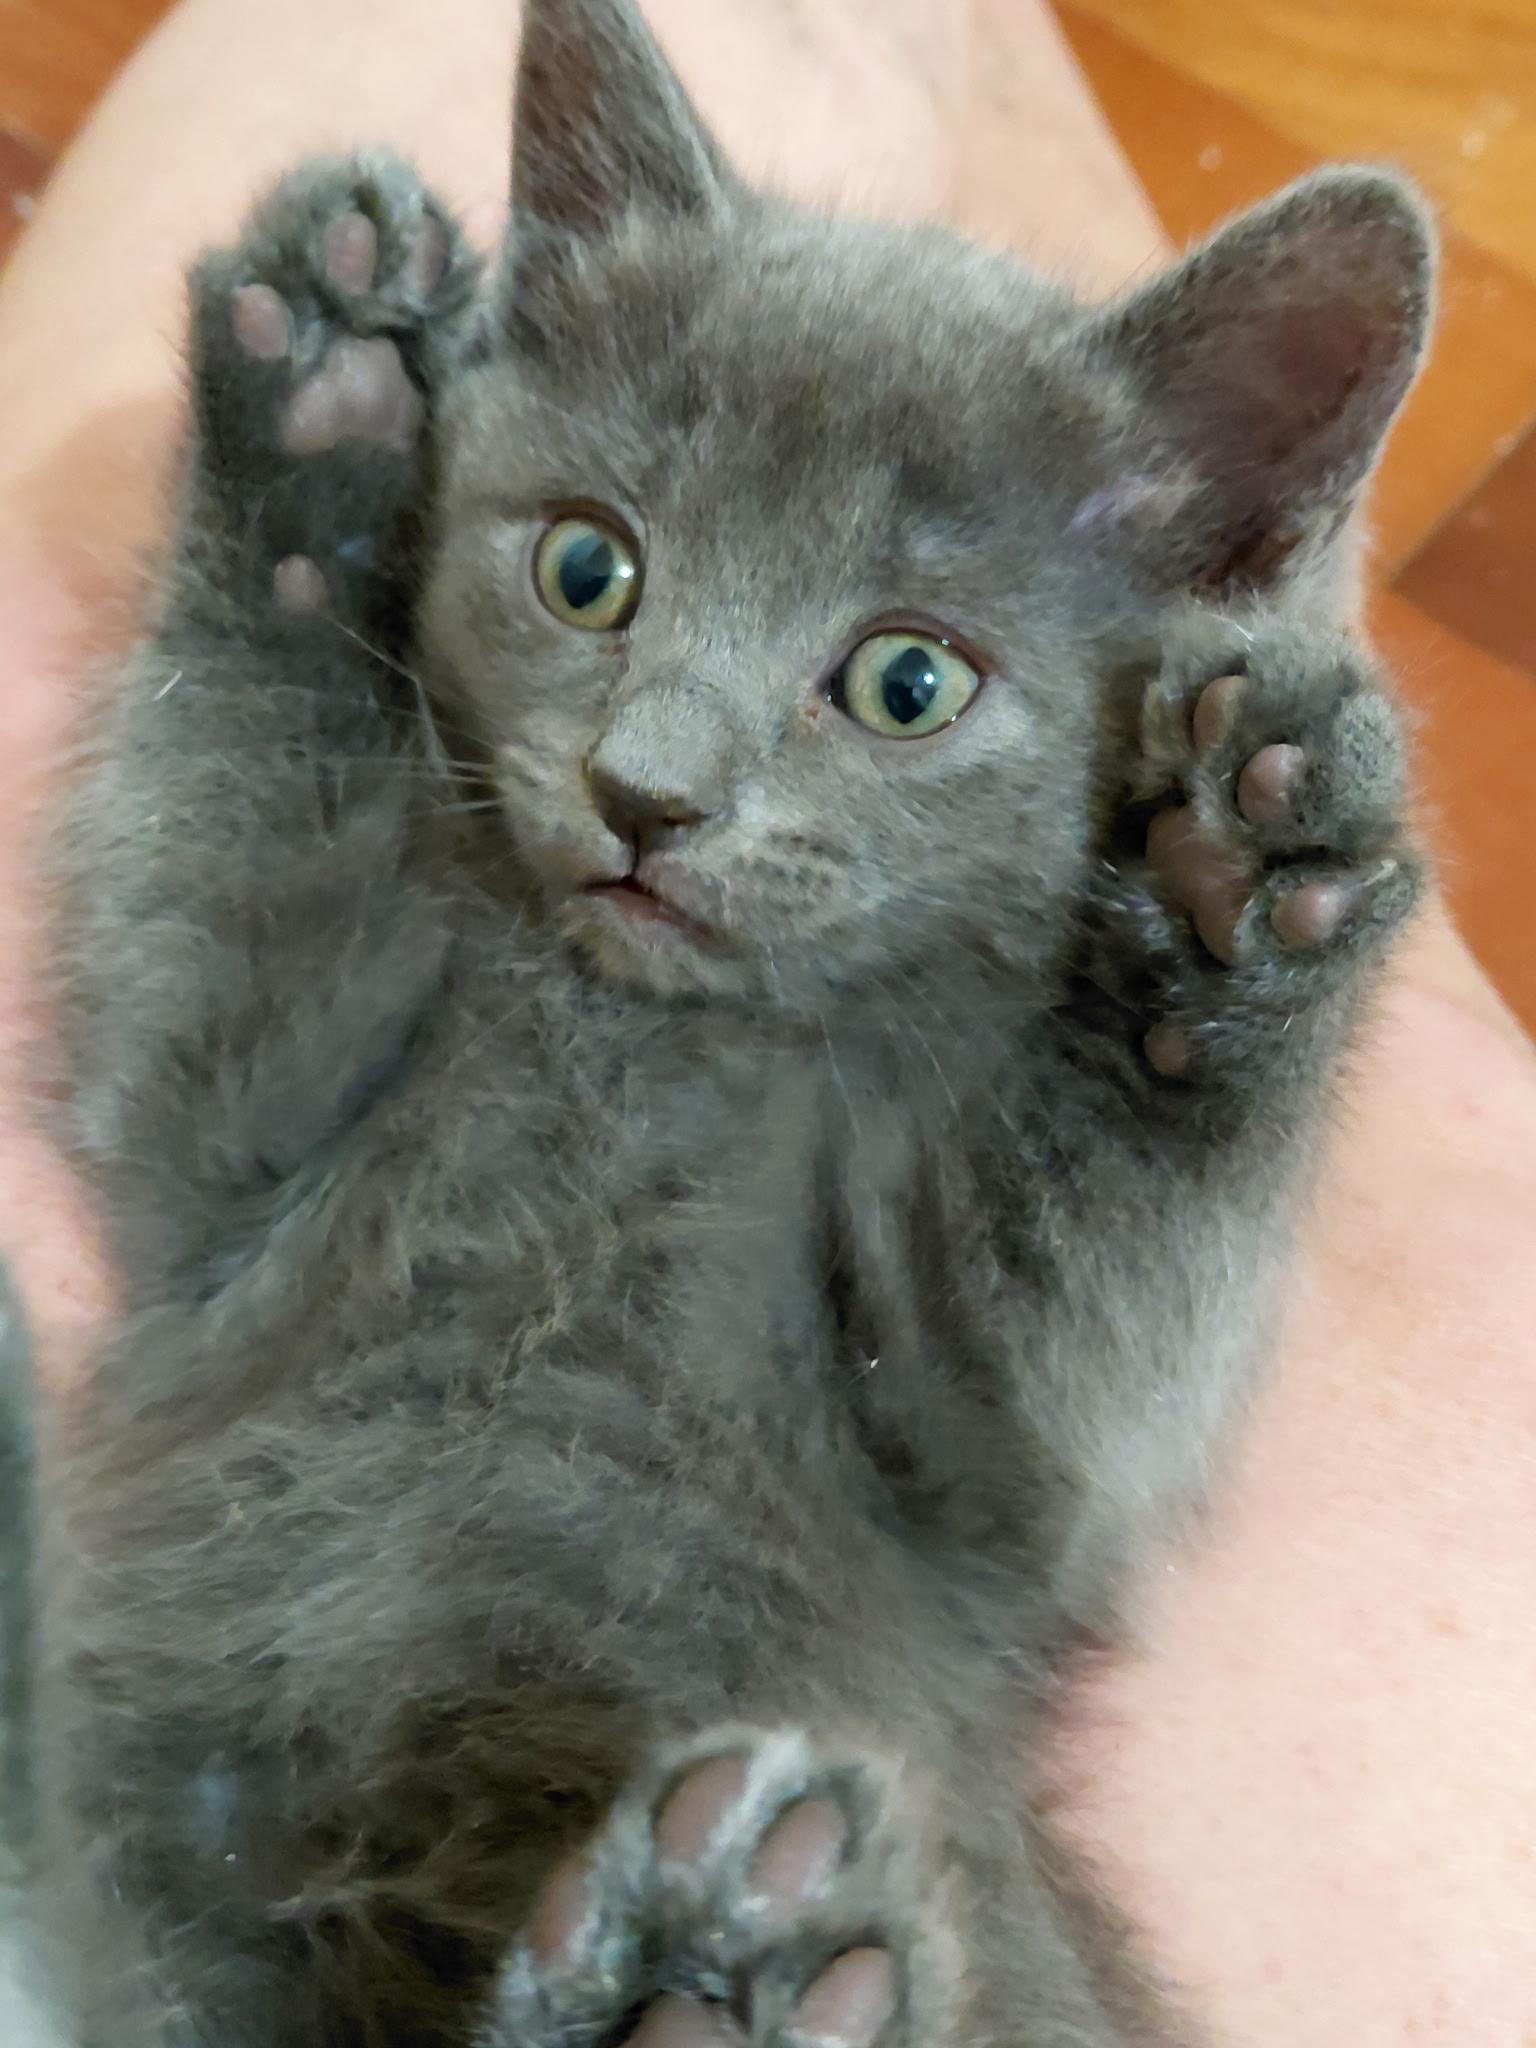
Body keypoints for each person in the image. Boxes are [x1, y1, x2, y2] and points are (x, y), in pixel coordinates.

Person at [0, 3, 1532, 2039]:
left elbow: (1048, 1439)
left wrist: (1214, 1054)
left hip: (727, 1764)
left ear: (1223, 564)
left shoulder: (977, 1042)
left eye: (901, 683)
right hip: (185, 1820)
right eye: (588, 569)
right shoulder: (454, 849)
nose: (648, 769)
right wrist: (267, 612)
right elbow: (192, 1093)